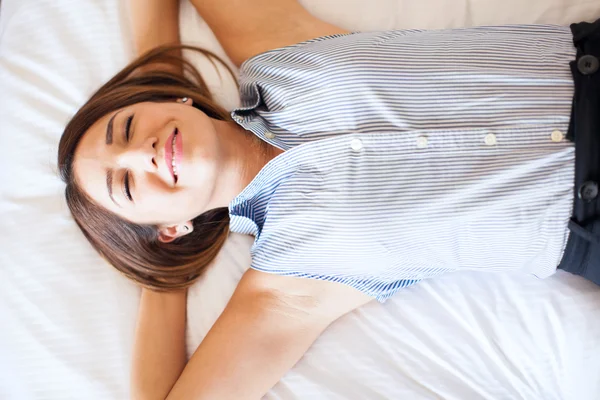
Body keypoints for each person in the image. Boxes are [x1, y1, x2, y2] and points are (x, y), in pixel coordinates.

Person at [57, 0, 600, 398]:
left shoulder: (274, 52)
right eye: (125, 185)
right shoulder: (289, 283)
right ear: (172, 228)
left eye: (126, 128)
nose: (140, 153)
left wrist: (155, 64)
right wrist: (164, 271)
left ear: (168, 97)